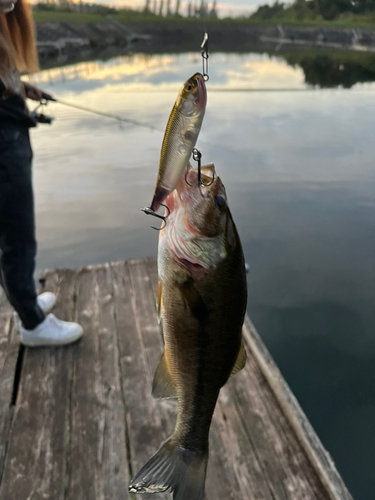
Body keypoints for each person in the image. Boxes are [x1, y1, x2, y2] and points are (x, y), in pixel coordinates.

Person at [0, 0, 83, 346]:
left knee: (15, 232)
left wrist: (17, 88)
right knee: (18, 236)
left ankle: (26, 301)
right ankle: (32, 324)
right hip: (4, 144)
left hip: (11, 135)